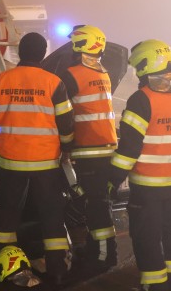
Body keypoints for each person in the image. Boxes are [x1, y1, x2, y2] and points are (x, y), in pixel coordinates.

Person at [108, 40, 171, 291]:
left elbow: (128, 150)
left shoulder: (142, 99)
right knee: (170, 231)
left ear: (145, 66)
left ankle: (154, 285)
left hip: (147, 185)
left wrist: (112, 180)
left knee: (147, 236)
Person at [0, 32, 75, 286]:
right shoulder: (54, 83)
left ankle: (3, 261)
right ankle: (56, 269)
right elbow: (66, 123)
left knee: (8, 214)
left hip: (10, 160)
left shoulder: (1, 80)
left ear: (21, 53)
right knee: (51, 214)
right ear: (43, 53)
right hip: (45, 163)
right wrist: (67, 147)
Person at [57, 25, 118, 274]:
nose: (71, 47)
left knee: (96, 205)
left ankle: (104, 256)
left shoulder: (72, 74)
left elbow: (64, 113)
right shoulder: (103, 72)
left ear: (81, 45)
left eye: (74, 43)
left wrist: (65, 143)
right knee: (99, 203)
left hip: (89, 148)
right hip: (106, 147)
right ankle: (97, 249)